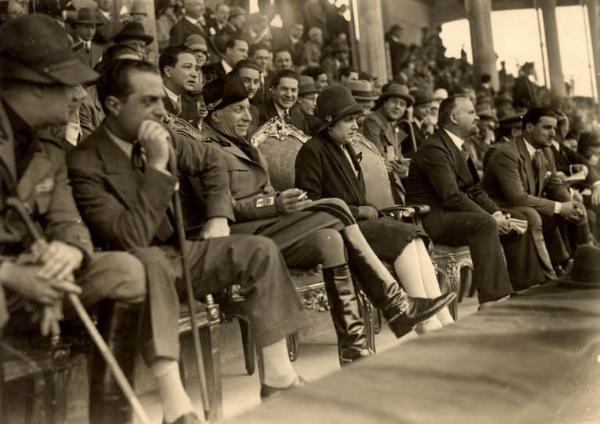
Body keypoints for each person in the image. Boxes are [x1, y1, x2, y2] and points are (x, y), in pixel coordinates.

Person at [67, 59, 310, 408]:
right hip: (134, 266)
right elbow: (128, 236)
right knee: (149, 261)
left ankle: (278, 378)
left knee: (259, 250)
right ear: (113, 106)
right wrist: (156, 168)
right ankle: (176, 405)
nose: (160, 110)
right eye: (148, 101)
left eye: (160, 100)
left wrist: (218, 217)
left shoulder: (157, 136)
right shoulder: (86, 161)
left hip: (183, 252)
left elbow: (212, 160)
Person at [0, 15, 146, 423]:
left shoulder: (46, 147)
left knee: (126, 271)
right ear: (30, 85)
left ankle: (111, 418)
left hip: (35, 275)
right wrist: (9, 274)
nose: (81, 95)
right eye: (69, 83)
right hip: (8, 281)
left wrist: (69, 250)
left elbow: (66, 218)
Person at [295, 86, 456, 333]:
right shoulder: (312, 151)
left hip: (357, 223)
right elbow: (310, 205)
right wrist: (358, 212)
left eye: (356, 120)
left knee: (413, 237)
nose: (355, 127)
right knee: (401, 236)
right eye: (348, 120)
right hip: (339, 228)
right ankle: (426, 323)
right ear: (329, 121)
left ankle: (440, 317)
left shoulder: (345, 147)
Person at [405, 96, 515, 305]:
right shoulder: (434, 148)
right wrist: (489, 217)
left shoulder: (458, 146)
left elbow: (473, 189)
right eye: (471, 112)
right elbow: (451, 196)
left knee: (511, 219)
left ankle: (517, 289)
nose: (477, 117)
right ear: (454, 117)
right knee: (485, 224)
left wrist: (497, 212)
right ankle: (493, 301)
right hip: (430, 218)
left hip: (451, 214)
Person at [482, 108, 593, 269]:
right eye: (547, 127)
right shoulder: (507, 153)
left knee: (578, 209)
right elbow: (517, 197)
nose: (553, 133)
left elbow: (555, 184)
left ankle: (586, 265)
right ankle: (550, 272)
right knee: (537, 214)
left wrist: (571, 206)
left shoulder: (546, 151)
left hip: (525, 204)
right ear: (529, 128)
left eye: (554, 128)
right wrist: (560, 208)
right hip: (501, 207)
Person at [362, 83, 413, 203]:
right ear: (384, 102)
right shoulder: (373, 120)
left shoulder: (394, 126)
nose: (398, 107)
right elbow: (377, 156)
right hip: (376, 184)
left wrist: (404, 169)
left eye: (402, 104)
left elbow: (397, 158)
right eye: (394, 102)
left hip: (391, 181)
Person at [159, 45, 201, 126]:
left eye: (196, 68)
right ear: (168, 71)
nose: (195, 74)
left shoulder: (191, 103)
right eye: (187, 67)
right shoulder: (152, 101)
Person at [258, 69, 310, 134]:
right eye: (284, 89)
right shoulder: (259, 114)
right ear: (273, 89)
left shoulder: (299, 117)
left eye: (293, 90)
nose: (289, 95)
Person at [231, 59, 263, 137]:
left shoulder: (254, 111)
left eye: (255, 82)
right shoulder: (224, 109)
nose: (252, 87)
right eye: (246, 80)